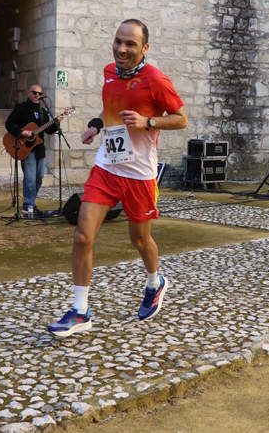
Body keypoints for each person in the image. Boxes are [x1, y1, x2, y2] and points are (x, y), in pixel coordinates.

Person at [48, 19, 188, 337]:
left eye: (130, 45)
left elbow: (181, 119)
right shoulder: (110, 72)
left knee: (139, 239)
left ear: (144, 49)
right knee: (83, 236)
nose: (122, 49)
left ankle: (155, 282)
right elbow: (111, 108)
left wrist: (148, 121)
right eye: (118, 42)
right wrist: (97, 124)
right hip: (107, 167)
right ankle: (80, 310)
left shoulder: (155, 79)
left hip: (139, 175)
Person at [4, 83, 60, 218]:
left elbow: (49, 130)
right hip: (25, 148)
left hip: (39, 149)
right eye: (34, 92)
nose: (37, 95)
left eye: (40, 94)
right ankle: (28, 206)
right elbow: (9, 124)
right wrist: (22, 133)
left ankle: (31, 203)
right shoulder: (21, 108)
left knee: (39, 177)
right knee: (30, 178)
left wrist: (57, 122)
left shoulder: (43, 111)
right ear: (28, 93)